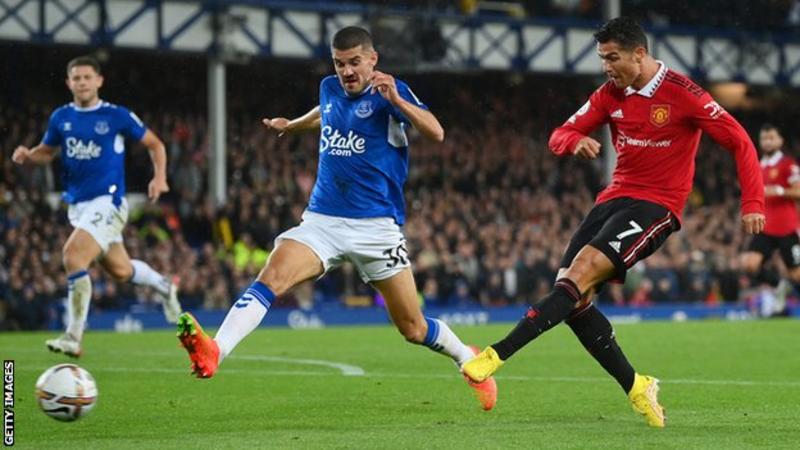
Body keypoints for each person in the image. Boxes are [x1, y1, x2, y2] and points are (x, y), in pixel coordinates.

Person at [462, 17, 765, 427]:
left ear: (639, 54)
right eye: (602, 57)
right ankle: (638, 386)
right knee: (572, 298)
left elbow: (739, 140)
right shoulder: (609, 94)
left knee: (580, 274)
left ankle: (494, 356)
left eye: (612, 57)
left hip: (658, 206)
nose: (606, 66)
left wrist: (753, 201)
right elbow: (559, 133)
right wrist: (576, 141)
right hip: (613, 199)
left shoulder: (684, 93)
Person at [175, 26, 497, 410]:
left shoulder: (389, 93)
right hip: (322, 222)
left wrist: (397, 100)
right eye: (339, 63)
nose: (347, 71)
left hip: (376, 228)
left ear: (373, 59)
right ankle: (216, 351)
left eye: (355, 62)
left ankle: (468, 358)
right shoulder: (329, 88)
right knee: (272, 276)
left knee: (413, 328)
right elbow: (325, 113)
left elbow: (437, 132)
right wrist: (292, 125)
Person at [11, 55, 182, 357]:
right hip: (78, 206)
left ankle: (73, 336)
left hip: (110, 201)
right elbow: (46, 152)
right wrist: (29, 155)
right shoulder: (61, 118)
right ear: (69, 83)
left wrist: (159, 178)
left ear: (99, 81)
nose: (82, 83)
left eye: (87, 77)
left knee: (73, 256)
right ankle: (165, 285)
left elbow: (156, 144)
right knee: (120, 270)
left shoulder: (116, 116)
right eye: (76, 78)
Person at [741, 124, 800, 315]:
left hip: (787, 227)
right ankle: (781, 285)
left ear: (780, 141)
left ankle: (787, 293)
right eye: (764, 139)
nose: (767, 142)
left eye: (771, 138)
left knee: (797, 275)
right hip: (765, 226)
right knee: (750, 264)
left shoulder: (788, 164)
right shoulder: (757, 165)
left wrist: (780, 190)